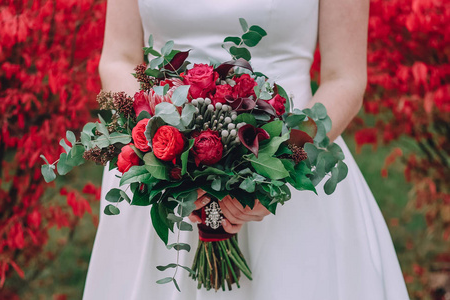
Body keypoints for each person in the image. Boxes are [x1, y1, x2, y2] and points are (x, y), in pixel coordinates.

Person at [83, 0, 410, 299]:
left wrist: (277, 166)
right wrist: (158, 146)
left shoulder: (282, 166)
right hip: (162, 176)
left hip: (289, 176)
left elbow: (345, 79)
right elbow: (118, 59)